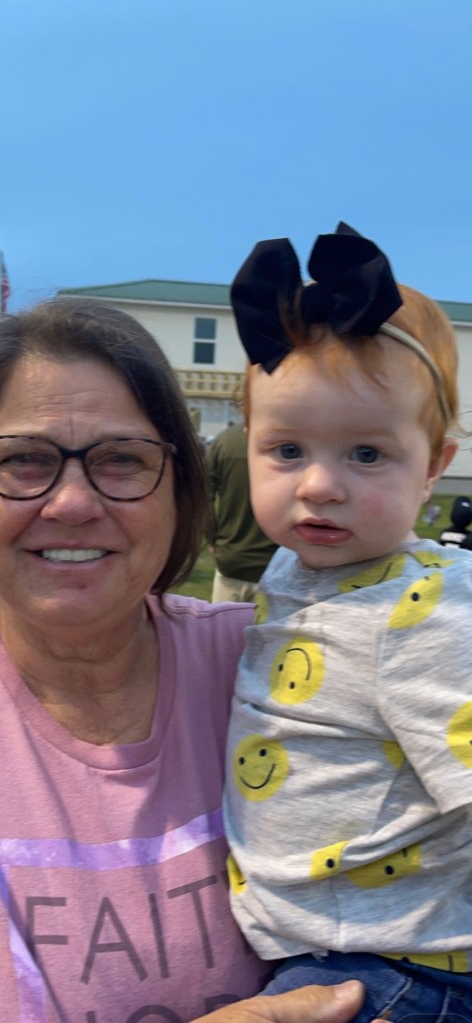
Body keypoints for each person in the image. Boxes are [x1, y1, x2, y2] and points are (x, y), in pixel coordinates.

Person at [0, 297, 371, 1023]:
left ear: (181, 492)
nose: (72, 503)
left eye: (123, 460)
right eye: (24, 459)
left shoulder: (281, 667)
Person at [224, 223, 472, 1021]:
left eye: (366, 454)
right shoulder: (297, 566)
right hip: (333, 945)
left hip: (396, 969)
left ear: (432, 466)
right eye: (286, 449)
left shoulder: (426, 614)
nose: (318, 485)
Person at [207, 421, 277, 602]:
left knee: (224, 621)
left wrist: (211, 538)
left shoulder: (224, 441)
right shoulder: (292, 440)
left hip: (234, 559)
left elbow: (202, 500)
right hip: (276, 564)